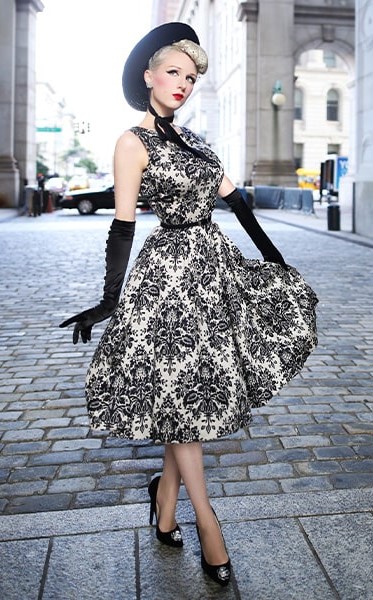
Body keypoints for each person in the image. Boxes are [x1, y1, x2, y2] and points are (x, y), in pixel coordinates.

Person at [60, 22, 318, 587]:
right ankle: (208, 523)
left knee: (190, 397)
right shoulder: (133, 142)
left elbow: (239, 203)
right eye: (173, 72)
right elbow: (122, 225)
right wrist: (109, 299)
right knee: (186, 400)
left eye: (192, 76)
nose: (184, 83)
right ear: (148, 77)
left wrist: (277, 265)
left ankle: (164, 502)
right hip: (168, 281)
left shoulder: (197, 142)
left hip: (214, 273)